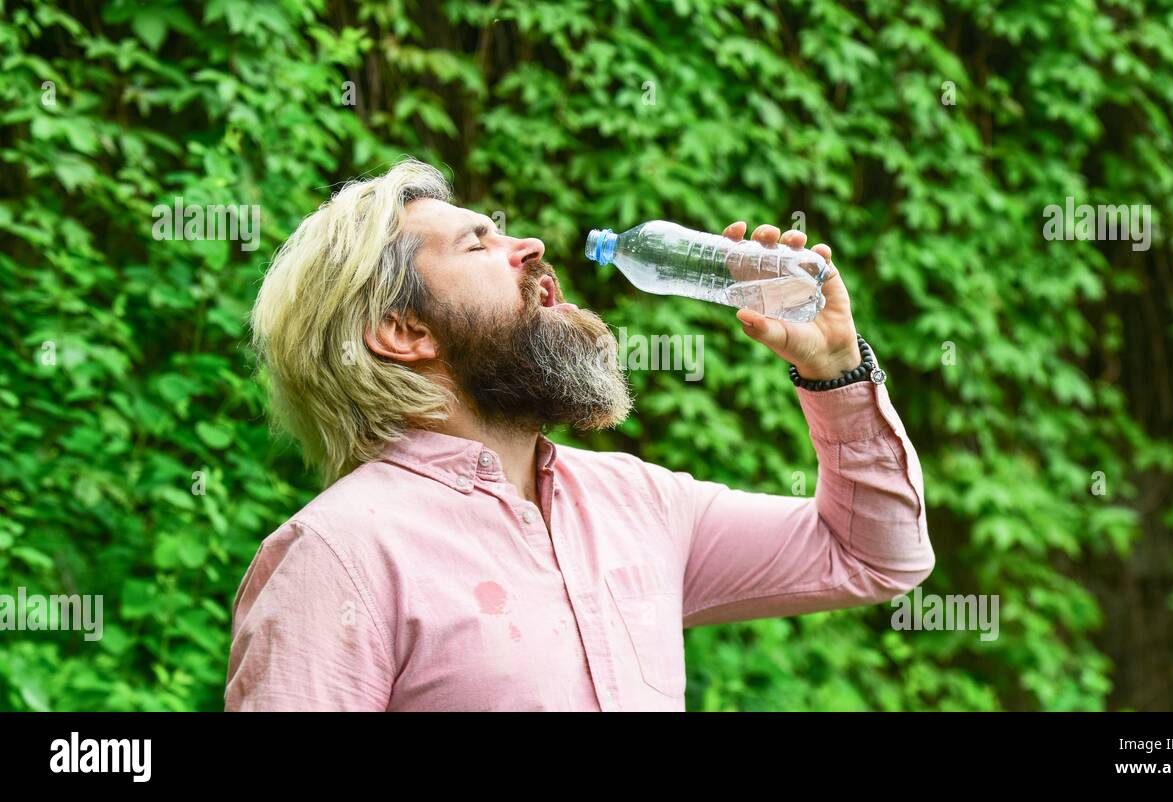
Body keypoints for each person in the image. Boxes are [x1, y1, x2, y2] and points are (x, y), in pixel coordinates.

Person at [224, 158, 934, 711]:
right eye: (479, 243)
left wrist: (837, 371)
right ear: (404, 332)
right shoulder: (335, 557)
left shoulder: (637, 501)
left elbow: (870, 556)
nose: (529, 244)